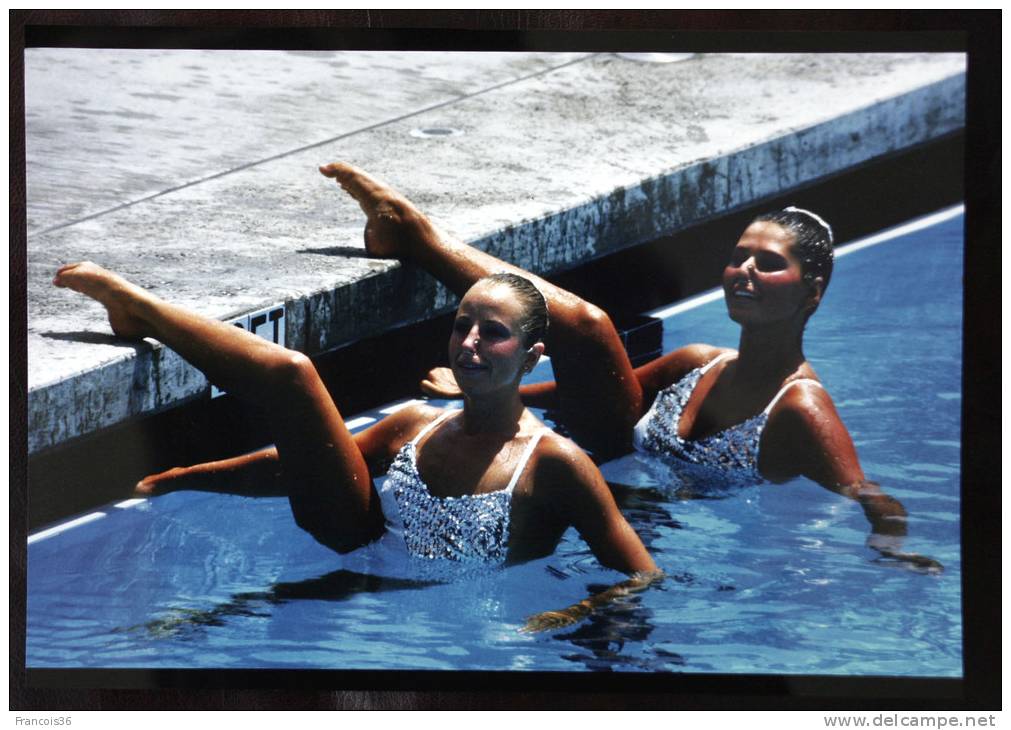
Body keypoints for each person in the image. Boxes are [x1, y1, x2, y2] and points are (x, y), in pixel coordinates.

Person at [318, 161, 941, 574]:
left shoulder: (800, 409)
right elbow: (587, 392)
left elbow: (864, 493)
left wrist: (893, 548)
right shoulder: (698, 363)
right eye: (739, 257)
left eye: (769, 263)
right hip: (604, 479)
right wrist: (488, 385)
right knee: (589, 329)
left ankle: (416, 236)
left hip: (662, 532)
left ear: (814, 291)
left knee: (591, 329)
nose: (745, 272)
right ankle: (417, 237)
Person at [52, 262, 660, 631]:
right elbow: (295, 465)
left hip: (447, 615)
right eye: (460, 325)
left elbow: (641, 577)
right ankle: (140, 310)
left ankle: (140, 312)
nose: (469, 343)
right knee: (294, 373)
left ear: (531, 357)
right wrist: (184, 478)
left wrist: (561, 618)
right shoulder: (417, 422)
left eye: (493, 334)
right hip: (355, 542)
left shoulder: (555, 464)